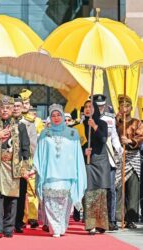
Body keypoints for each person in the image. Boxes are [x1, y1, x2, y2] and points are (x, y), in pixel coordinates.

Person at [0, 92, 30, 238]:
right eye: (2, 107)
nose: (5, 110)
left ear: (12, 109)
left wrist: (25, 167)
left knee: (12, 198)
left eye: (8, 107)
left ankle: (9, 228)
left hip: (13, 166)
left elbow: (25, 148)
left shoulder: (20, 126)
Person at [34, 104, 86, 237]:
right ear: (49, 118)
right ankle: (55, 227)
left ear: (63, 116)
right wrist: (36, 168)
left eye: (58, 115)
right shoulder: (45, 133)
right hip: (49, 175)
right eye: (53, 115)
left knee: (64, 204)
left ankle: (61, 225)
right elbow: (39, 154)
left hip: (67, 175)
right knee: (51, 203)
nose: (56, 118)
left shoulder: (73, 133)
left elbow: (77, 155)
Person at [93, 94, 122, 231]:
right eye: (97, 106)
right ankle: (96, 220)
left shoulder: (110, 118)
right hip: (95, 156)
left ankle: (111, 219)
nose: (100, 108)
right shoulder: (89, 119)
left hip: (108, 155)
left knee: (110, 189)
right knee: (97, 190)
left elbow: (114, 136)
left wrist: (119, 148)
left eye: (102, 106)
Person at [80, 100, 110, 235]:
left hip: (101, 161)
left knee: (101, 193)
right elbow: (78, 145)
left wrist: (95, 126)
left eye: (90, 107)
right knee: (90, 193)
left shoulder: (102, 123)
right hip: (88, 162)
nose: (87, 109)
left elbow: (103, 139)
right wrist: (83, 150)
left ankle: (101, 224)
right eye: (85, 107)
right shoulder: (80, 126)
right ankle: (90, 224)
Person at [115, 95, 143, 229]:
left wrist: (130, 141)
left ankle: (131, 218)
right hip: (120, 156)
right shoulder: (116, 122)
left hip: (133, 156)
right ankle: (119, 217)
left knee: (133, 188)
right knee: (119, 187)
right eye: (122, 106)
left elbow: (141, 136)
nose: (124, 108)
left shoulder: (137, 122)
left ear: (131, 107)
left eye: (127, 106)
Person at [11, 94, 37, 232]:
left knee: (21, 194)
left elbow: (32, 146)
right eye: (13, 106)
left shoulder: (29, 123)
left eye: (18, 106)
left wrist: (28, 166)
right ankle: (7, 220)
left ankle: (18, 222)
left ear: (22, 108)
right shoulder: (3, 121)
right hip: (6, 163)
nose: (15, 109)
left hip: (22, 163)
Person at [19, 89, 41, 229]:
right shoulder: (16, 119)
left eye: (27, 103)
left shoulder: (37, 120)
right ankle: (22, 217)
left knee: (33, 189)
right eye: (22, 103)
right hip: (19, 159)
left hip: (32, 158)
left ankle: (33, 217)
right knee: (21, 190)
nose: (25, 105)